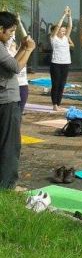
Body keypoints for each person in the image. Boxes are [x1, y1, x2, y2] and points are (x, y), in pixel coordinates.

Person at [0, 11, 35, 190]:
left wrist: (22, 47)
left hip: (6, 100)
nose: (12, 34)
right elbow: (15, 67)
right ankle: (7, 185)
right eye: (11, 31)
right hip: (6, 101)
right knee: (10, 144)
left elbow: (10, 64)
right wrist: (28, 49)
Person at [49, 6, 74, 112]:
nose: (63, 32)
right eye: (61, 31)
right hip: (56, 63)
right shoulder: (53, 38)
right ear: (57, 31)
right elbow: (58, 25)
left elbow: (70, 27)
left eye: (64, 31)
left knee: (62, 84)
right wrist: (64, 14)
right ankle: (54, 104)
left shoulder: (65, 38)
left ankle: (58, 104)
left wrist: (70, 16)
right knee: (56, 84)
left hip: (66, 63)